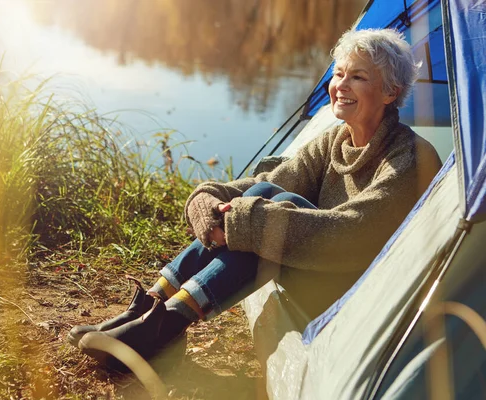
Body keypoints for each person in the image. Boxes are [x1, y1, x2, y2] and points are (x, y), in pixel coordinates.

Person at [68, 28, 442, 370]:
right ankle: (151, 308)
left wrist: (248, 222)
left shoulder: (409, 156)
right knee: (264, 199)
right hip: (316, 269)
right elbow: (272, 182)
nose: (340, 85)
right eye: (339, 73)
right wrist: (209, 197)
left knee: (265, 214)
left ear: (390, 92)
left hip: (359, 292)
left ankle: (165, 325)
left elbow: (356, 234)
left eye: (357, 77)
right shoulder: (335, 140)